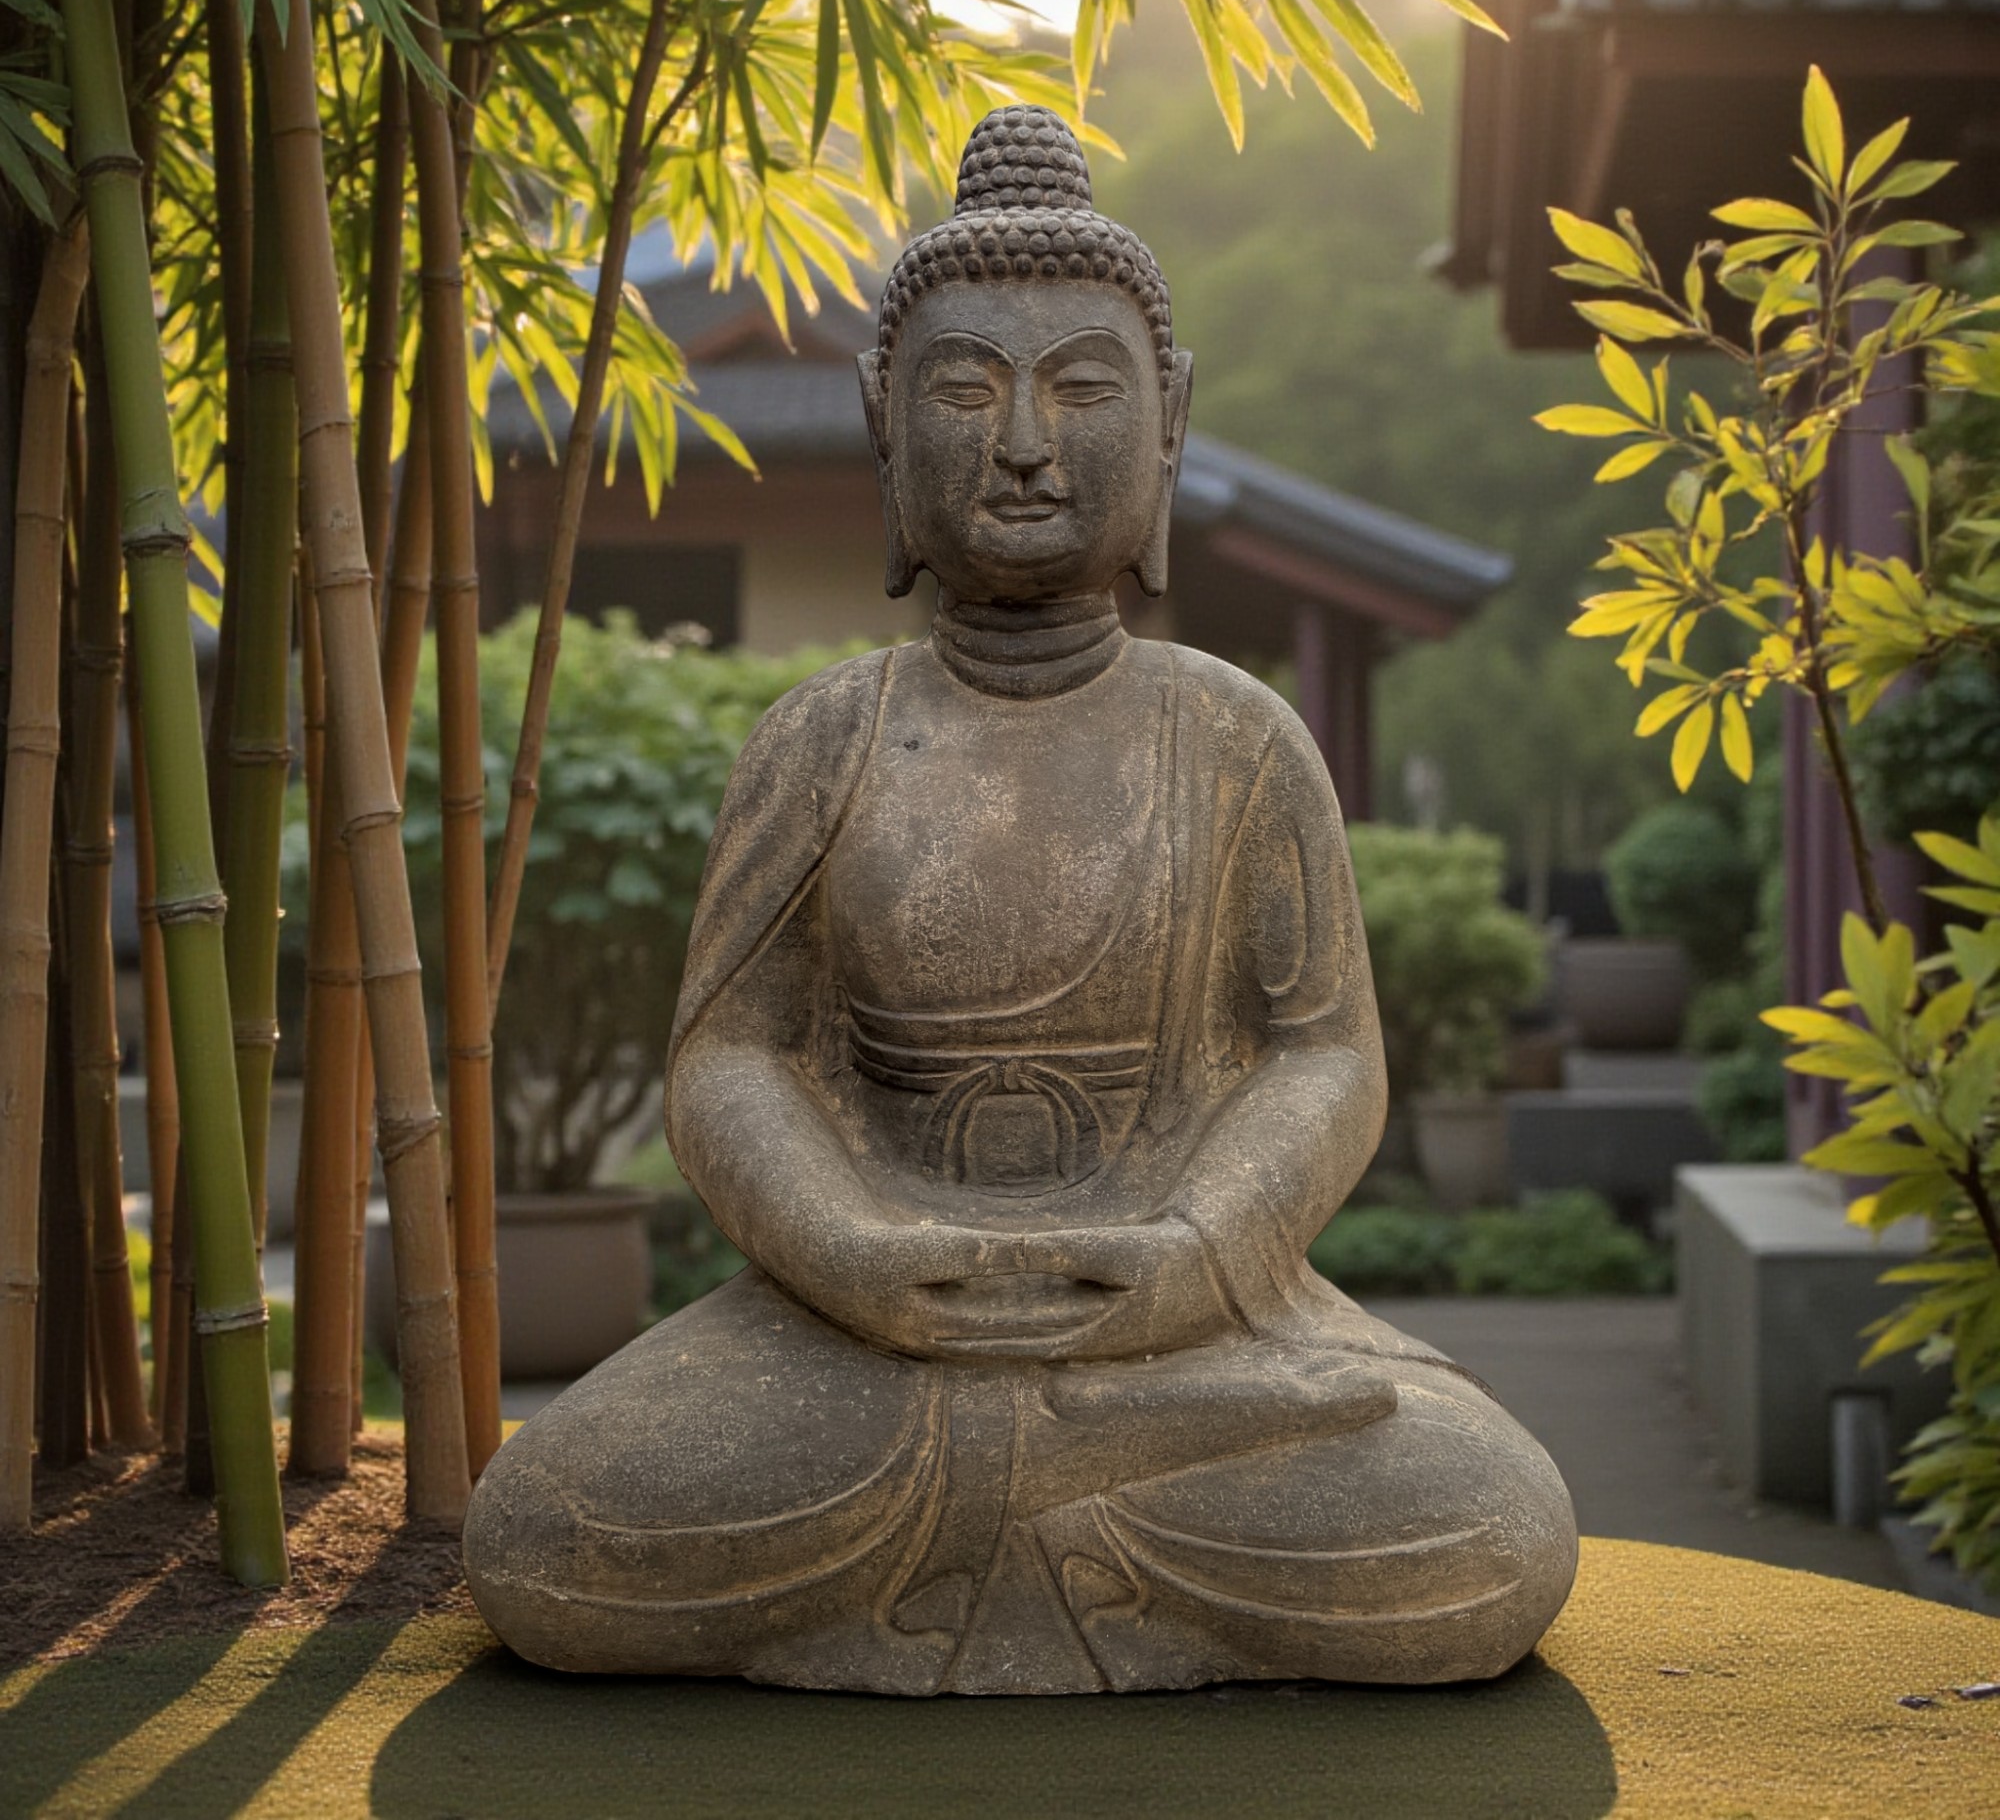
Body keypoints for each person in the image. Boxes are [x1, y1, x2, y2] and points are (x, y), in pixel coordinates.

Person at [462, 108, 1577, 1694]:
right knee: (546, 1532)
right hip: (860, 1345)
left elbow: (1325, 1056)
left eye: (1087, 390)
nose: (1028, 443)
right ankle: (1064, 1502)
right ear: (883, 424)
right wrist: (847, 1251)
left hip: (1182, 1327)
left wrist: (1201, 1248)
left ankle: (1017, 1512)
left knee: (1490, 1525)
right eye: (967, 392)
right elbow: (731, 1059)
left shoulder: (1237, 736)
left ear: (1172, 425)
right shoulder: (825, 739)